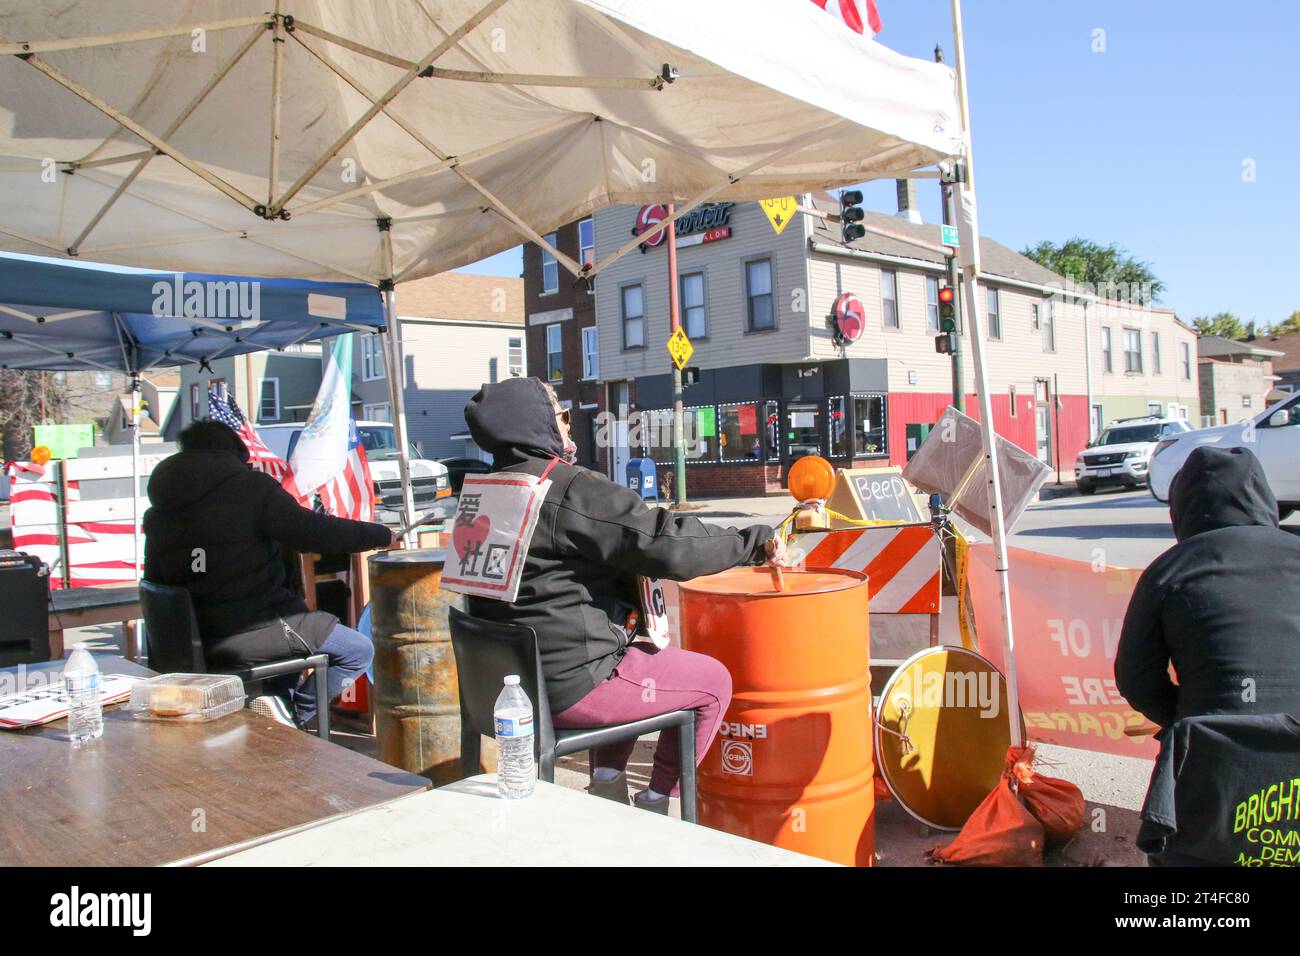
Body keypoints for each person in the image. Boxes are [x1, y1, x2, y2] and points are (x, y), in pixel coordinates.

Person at [463, 376, 785, 812]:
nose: (568, 422)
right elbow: (665, 544)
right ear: (535, 423)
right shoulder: (568, 489)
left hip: (501, 687)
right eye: (559, 414)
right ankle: (658, 804)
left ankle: (607, 788)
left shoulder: (484, 492)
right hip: (569, 685)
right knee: (711, 683)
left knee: (633, 652)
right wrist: (752, 542)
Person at [143, 419, 393, 727]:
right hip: (247, 628)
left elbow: (158, 579)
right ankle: (291, 721)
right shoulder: (249, 489)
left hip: (186, 643)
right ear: (235, 452)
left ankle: (274, 705)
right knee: (356, 651)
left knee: (293, 638)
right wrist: (380, 535)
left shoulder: (160, 509)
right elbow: (312, 532)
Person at [1116, 446, 1300, 862]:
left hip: (1210, 765)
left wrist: (1191, 718)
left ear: (1181, 508)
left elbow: (1135, 679)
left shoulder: (1169, 569)